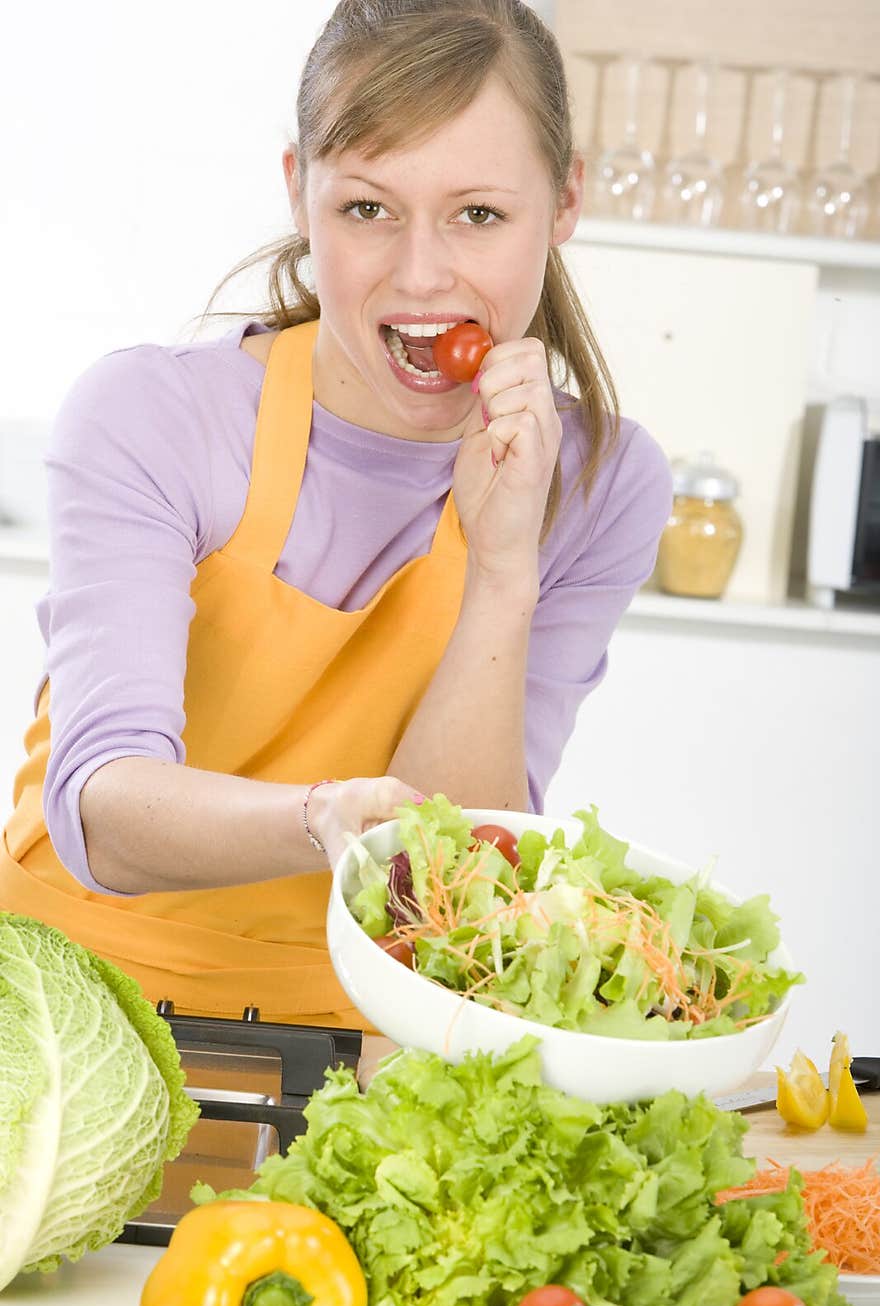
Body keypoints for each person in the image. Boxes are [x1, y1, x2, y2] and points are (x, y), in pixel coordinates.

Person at [0, 0, 672, 1031]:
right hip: (68, 1018)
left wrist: (501, 573)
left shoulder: (597, 483)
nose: (420, 274)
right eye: (367, 209)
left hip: (355, 1050)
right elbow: (104, 812)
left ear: (566, 199)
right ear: (298, 191)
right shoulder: (151, 414)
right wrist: (321, 820)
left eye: (478, 215)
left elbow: (446, 891)